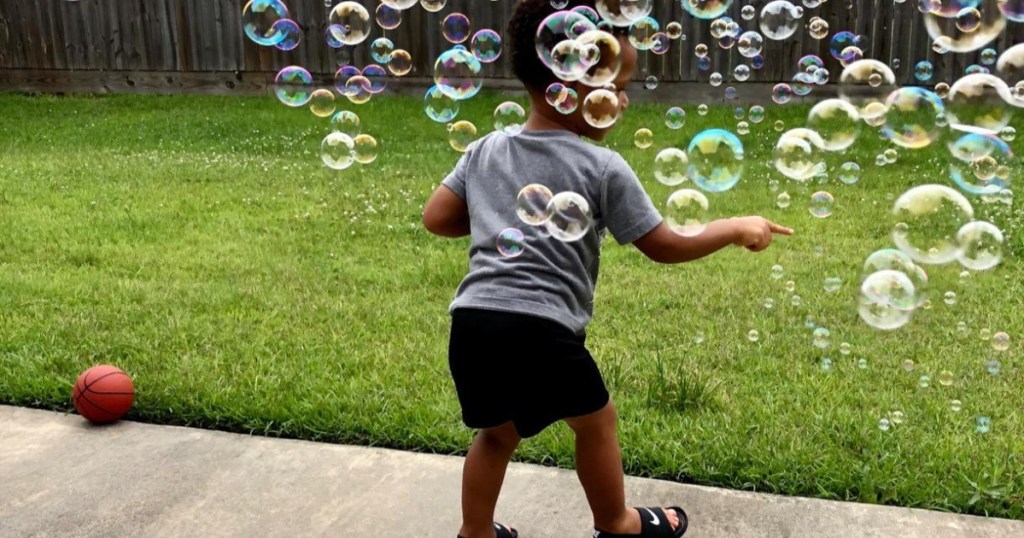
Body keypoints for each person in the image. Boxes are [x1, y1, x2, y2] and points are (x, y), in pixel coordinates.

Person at [422, 1, 793, 536]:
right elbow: (663, 244)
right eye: (617, 88)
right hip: (541, 329)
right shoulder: (601, 166)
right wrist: (735, 227)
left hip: (473, 324)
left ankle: (475, 532)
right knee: (596, 422)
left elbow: (437, 218)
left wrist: (497, 219)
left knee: (497, 435)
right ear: (572, 86)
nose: (622, 100)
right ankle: (617, 523)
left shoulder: (484, 149)